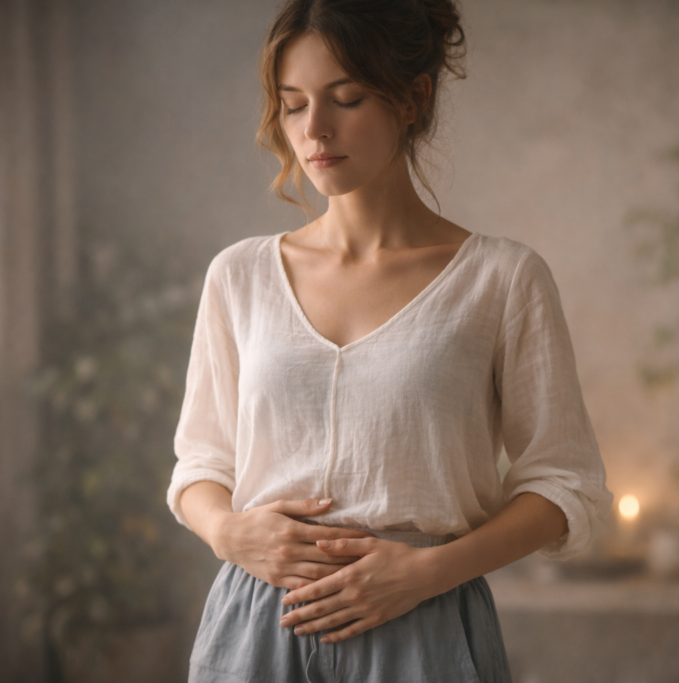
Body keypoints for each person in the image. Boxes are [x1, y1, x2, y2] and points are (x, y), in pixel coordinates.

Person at [166, 0, 612, 681]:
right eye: (293, 105)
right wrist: (228, 531)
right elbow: (199, 464)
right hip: (254, 629)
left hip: (423, 628)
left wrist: (427, 571)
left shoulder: (501, 279)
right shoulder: (239, 275)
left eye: (344, 98)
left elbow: (564, 486)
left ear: (413, 98)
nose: (314, 129)